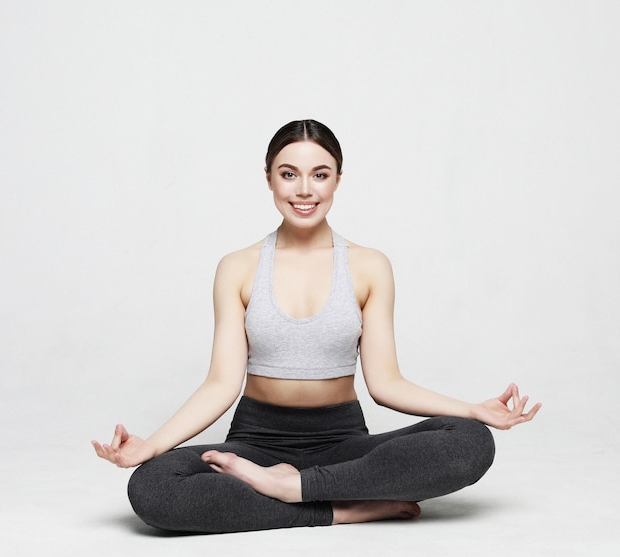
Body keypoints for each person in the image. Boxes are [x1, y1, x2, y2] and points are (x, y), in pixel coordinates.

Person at [92, 119, 541, 534]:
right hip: (257, 443)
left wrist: (472, 410)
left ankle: (294, 488)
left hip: (341, 442)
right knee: (153, 488)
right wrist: (150, 447)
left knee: (469, 441)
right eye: (289, 174)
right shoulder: (237, 267)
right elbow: (220, 384)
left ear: (338, 180)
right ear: (268, 177)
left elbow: (386, 383)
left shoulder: (368, 266)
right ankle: (338, 508)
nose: (304, 189)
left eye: (320, 174)